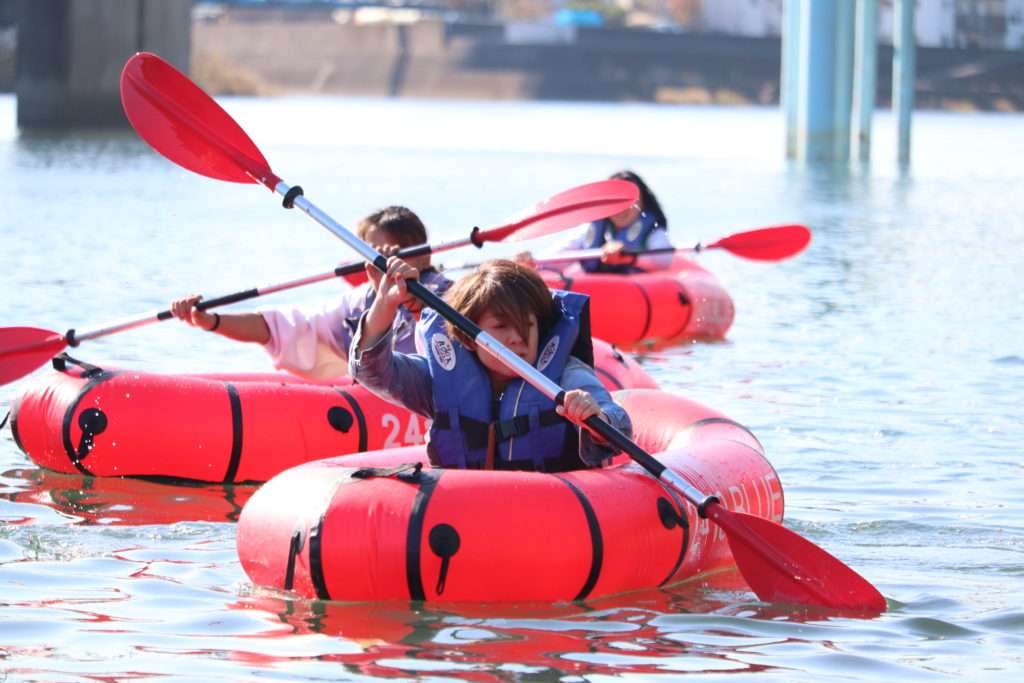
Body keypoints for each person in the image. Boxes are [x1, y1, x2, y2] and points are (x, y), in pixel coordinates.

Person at [350, 258, 633, 472]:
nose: (515, 338)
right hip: (463, 516)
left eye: (527, 325)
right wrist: (385, 307)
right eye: (500, 326)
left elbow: (617, 423)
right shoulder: (440, 380)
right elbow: (374, 372)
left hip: (546, 514)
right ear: (469, 338)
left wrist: (596, 417)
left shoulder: (566, 375)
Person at [169, 206, 450, 379]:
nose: (378, 263)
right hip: (376, 395)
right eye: (369, 253)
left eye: (390, 253)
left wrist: (399, 293)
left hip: (422, 402)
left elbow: (449, 353)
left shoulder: (448, 297)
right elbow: (282, 328)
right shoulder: (358, 302)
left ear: (423, 257)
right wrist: (212, 321)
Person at [520, 170, 673, 274]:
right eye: (616, 201)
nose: (622, 209)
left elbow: (664, 260)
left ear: (643, 203)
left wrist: (629, 256)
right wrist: (533, 263)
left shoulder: (653, 232)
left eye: (629, 201)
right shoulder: (592, 229)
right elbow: (563, 253)